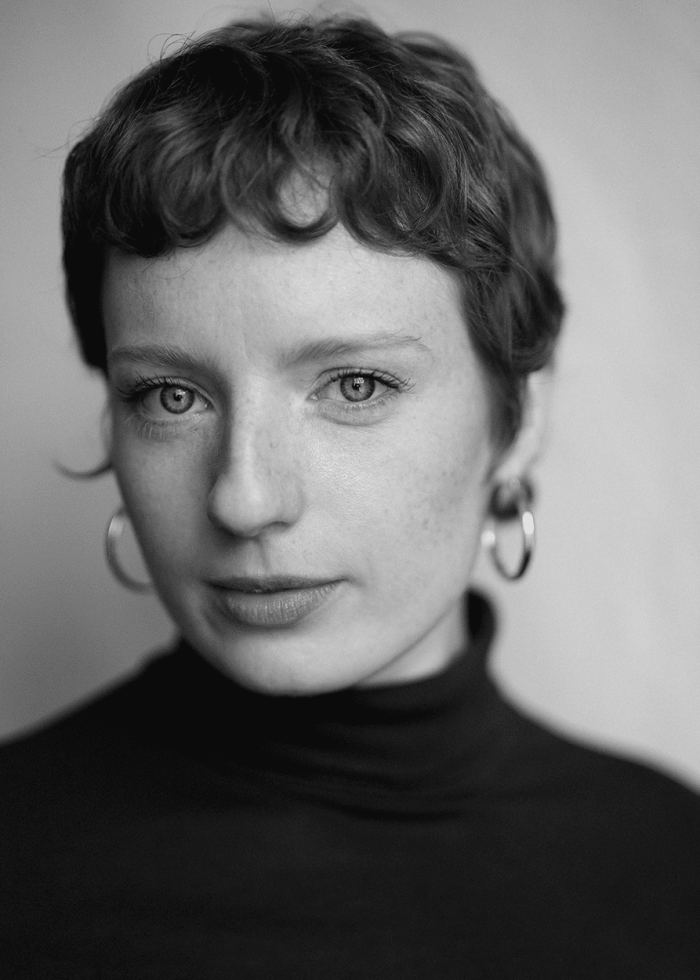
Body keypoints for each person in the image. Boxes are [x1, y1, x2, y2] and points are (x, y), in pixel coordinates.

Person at [1, 14, 698, 979]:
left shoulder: (670, 863)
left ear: (517, 418)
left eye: (355, 386)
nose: (243, 500)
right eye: (171, 395)